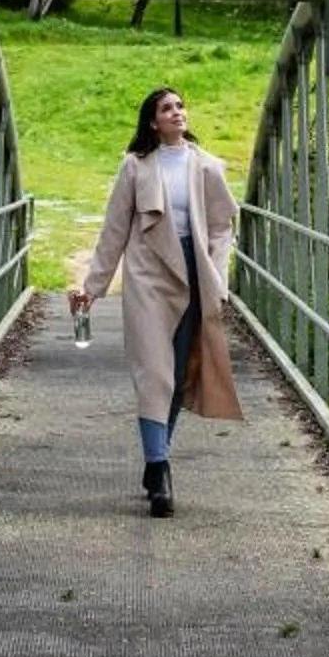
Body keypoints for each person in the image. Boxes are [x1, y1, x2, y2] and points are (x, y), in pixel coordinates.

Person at [70, 84, 242, 516]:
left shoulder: (207, 167)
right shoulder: (135, 167)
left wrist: (217, 274)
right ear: (153, 121)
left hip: (195, 275)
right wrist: (91, 288)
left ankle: (155, 454)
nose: (178, 112)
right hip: (148, 275)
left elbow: (223, 226)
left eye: (181, 105)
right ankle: (160, 469)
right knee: (155, 375)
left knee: (180, 372)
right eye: (168, 108)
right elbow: (113, 231)